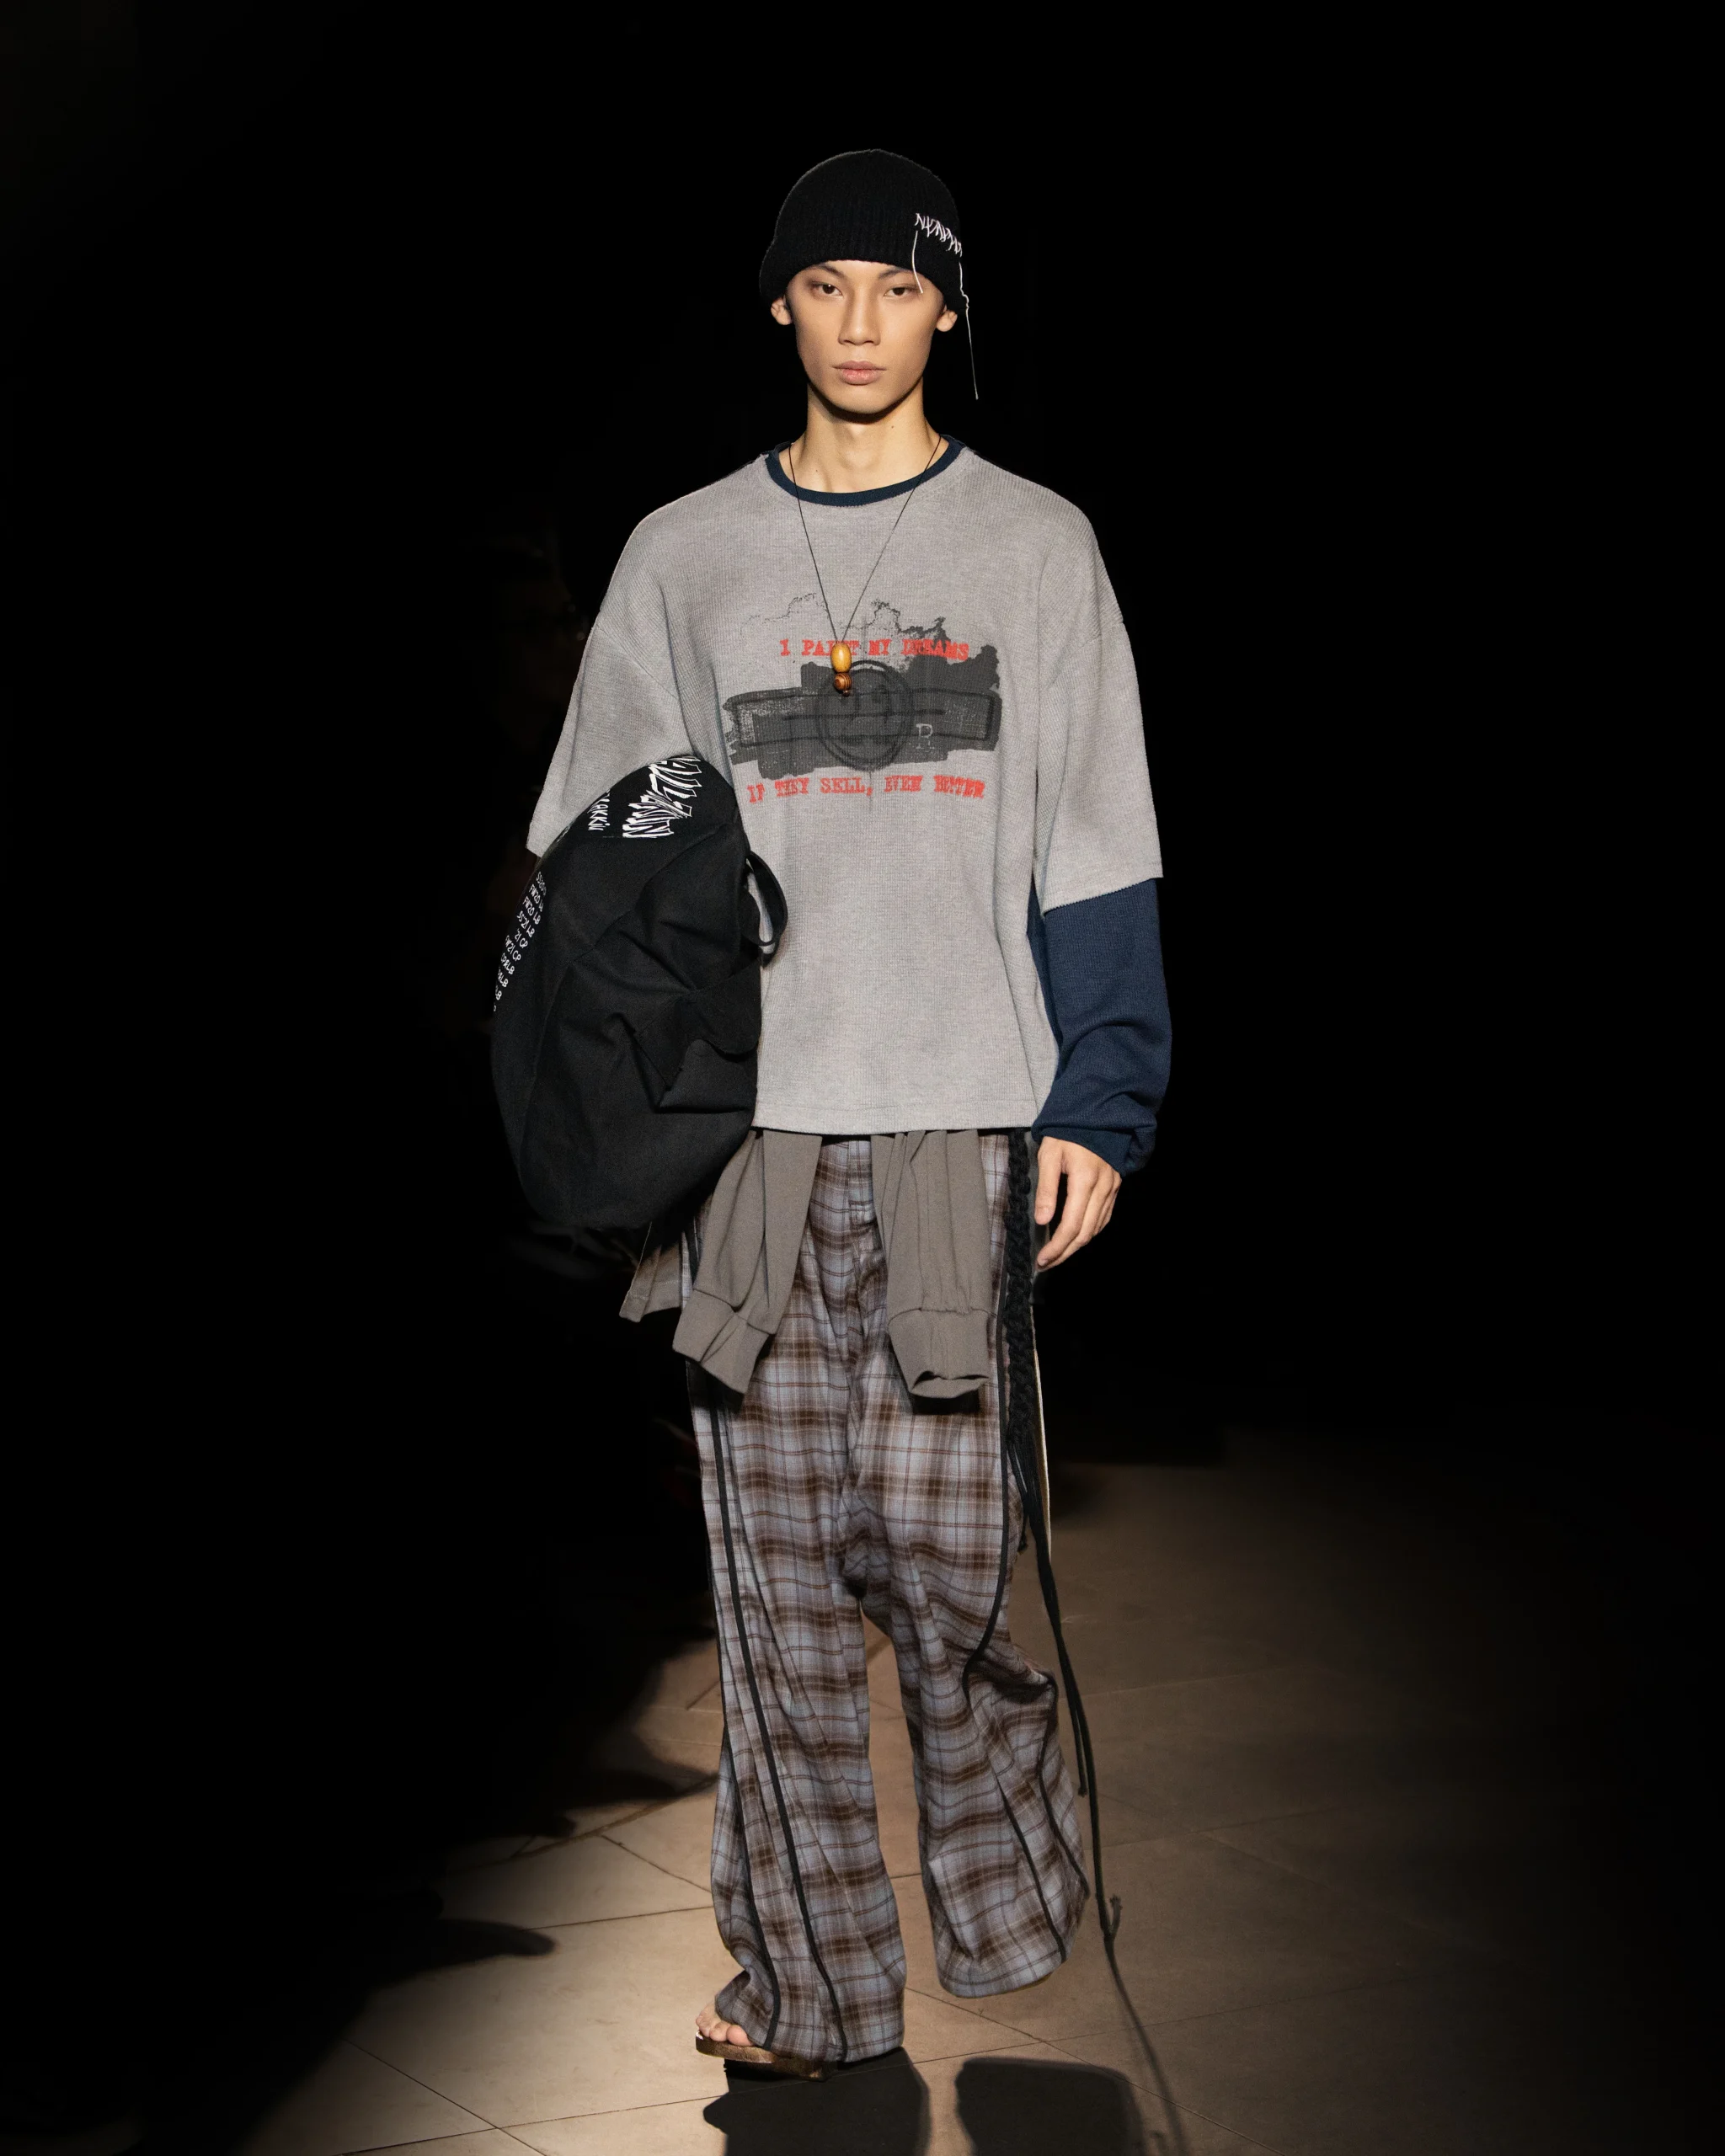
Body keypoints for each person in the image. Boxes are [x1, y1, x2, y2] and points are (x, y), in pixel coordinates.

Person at [526, 148, 1170, 2077]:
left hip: (962, 1130)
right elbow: (593, 867)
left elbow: (1096, 839)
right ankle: (809, 1988)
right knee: (780, 1602)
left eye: (897, 288)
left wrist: (1104, 1094)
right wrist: (610, 1124)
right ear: (781, 305)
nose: (861, 322)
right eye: (825, 287)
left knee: (957, 1582)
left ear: (946, 307)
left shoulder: (1036, 546)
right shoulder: (685, 556)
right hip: (746, 1150)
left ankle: (1006, 1894)